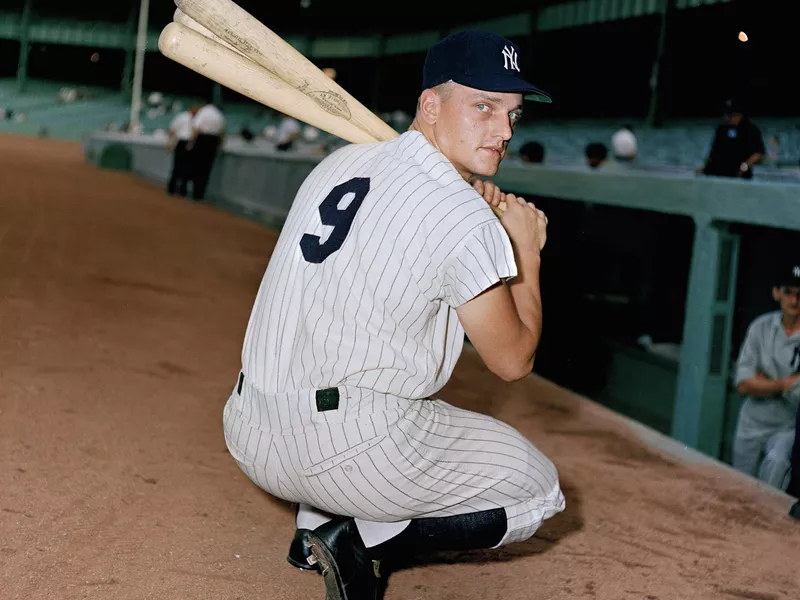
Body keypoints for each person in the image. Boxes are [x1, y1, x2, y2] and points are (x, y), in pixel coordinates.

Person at [222, 30, 565, 600]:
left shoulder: (339, 161)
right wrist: (524, 251)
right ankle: (361, 537)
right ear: (430, 105)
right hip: (352, 451)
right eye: (484, 106)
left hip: (248, 430)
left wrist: (471, 224)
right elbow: (513, 360)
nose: (503, 131)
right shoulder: (463, 218)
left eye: (513, 114)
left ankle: (316, 520)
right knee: (539, 492)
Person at [731, 263, 800, 492]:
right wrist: (784, 384)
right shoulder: (760, 326)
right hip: (751, 423)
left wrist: (764, 381)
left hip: (786, 426)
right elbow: (743, 383)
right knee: (739, 491)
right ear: (777, 292)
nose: (794, 301)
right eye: (789, 292)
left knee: (776, 467)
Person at [698, 98, 765, 179]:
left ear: (740, 115)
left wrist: (744, 167)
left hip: (739, 175)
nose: (729, 118)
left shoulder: (751, 129)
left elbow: (758, 154)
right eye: (728, 115)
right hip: (717, 174)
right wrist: (705, 168)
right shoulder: (722, 129)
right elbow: (713, 153)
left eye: (733, 115)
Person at [188, 101, 226, 201]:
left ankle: (195, 192)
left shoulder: (203, 112)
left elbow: (196, 128)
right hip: (213, 142)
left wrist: (192, 143)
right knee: (206, 168)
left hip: (202, 140)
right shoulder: (219, 114)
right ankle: (201, 193)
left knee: (197, 166)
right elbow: (222, 132)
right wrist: (219, 146)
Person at [166, 105, 197, 197]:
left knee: (188, 167)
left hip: (191, 143)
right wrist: (170, 142)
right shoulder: (182, 117)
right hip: (182, 142)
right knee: (177, 165)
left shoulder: (198, 118)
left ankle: (182, 189)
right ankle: (172, 188)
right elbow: (173, 129)